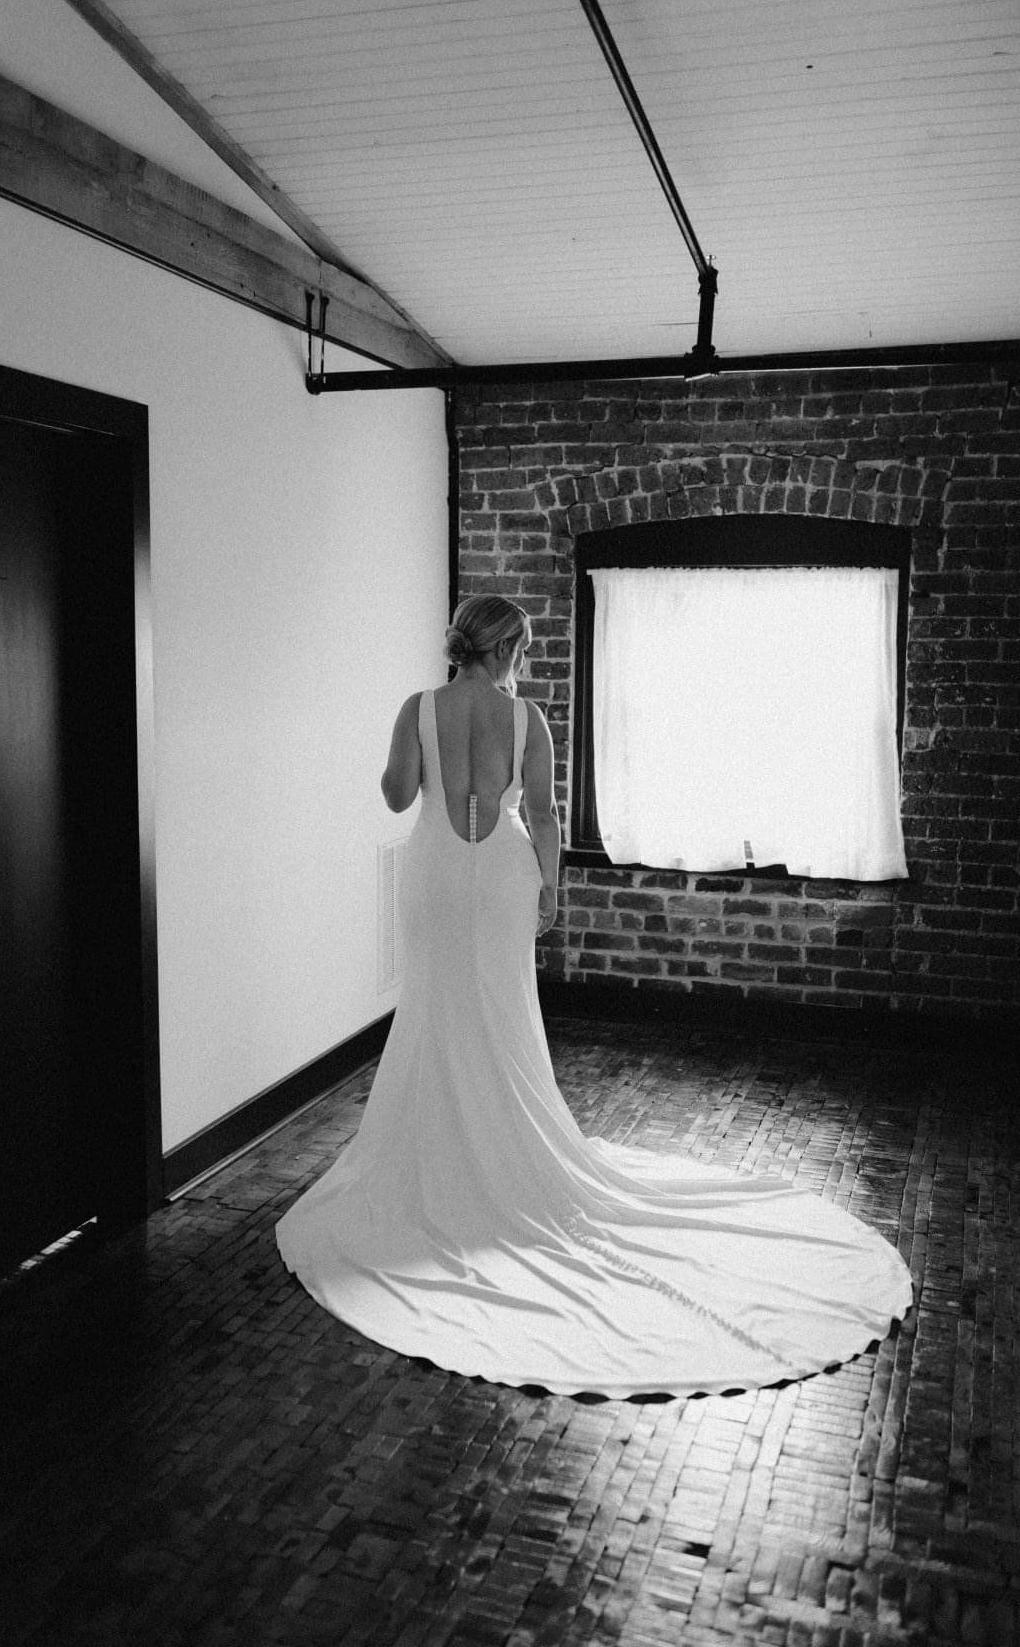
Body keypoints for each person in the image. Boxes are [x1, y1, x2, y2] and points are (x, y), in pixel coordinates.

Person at [276, 596, 911, 1398]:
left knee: (434, 1004)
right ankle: (506, 1157)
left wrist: (416, 756)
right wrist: (550, 889)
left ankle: (436, 1159)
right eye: (520, 649)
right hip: (501, 873)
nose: (520, 662)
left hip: (435, 870)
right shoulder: (528, 720)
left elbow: (397, 796)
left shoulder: (418, 707)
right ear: (503, 648)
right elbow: (539, 813)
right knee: (504, 1017)